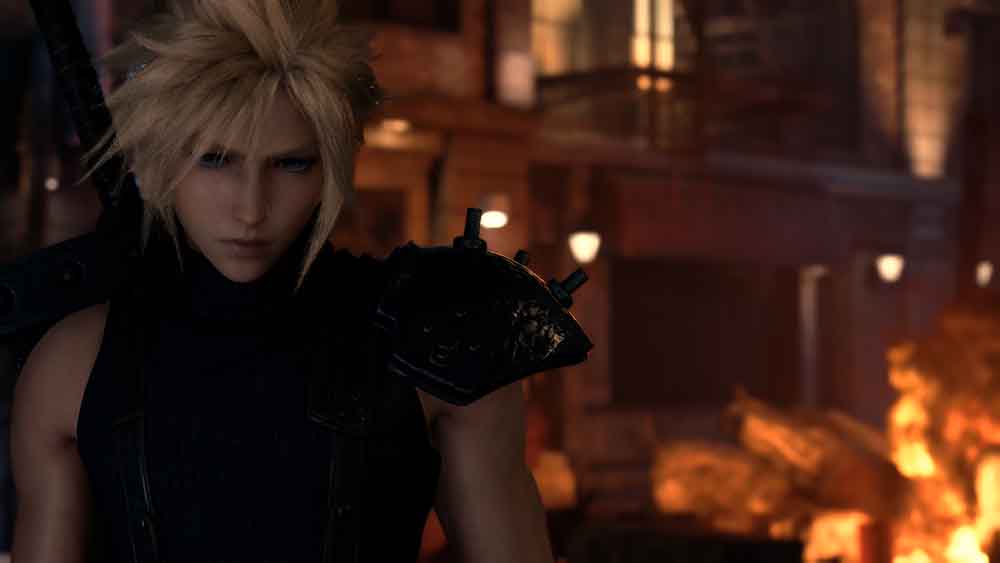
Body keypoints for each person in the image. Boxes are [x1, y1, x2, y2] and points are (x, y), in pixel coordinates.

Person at [9, 1, 556, 562]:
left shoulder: (438, 340)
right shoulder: (73, 365)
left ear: (332, 164)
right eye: (215, 159)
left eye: (291, 163)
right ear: (158, 162)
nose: (251, 209)